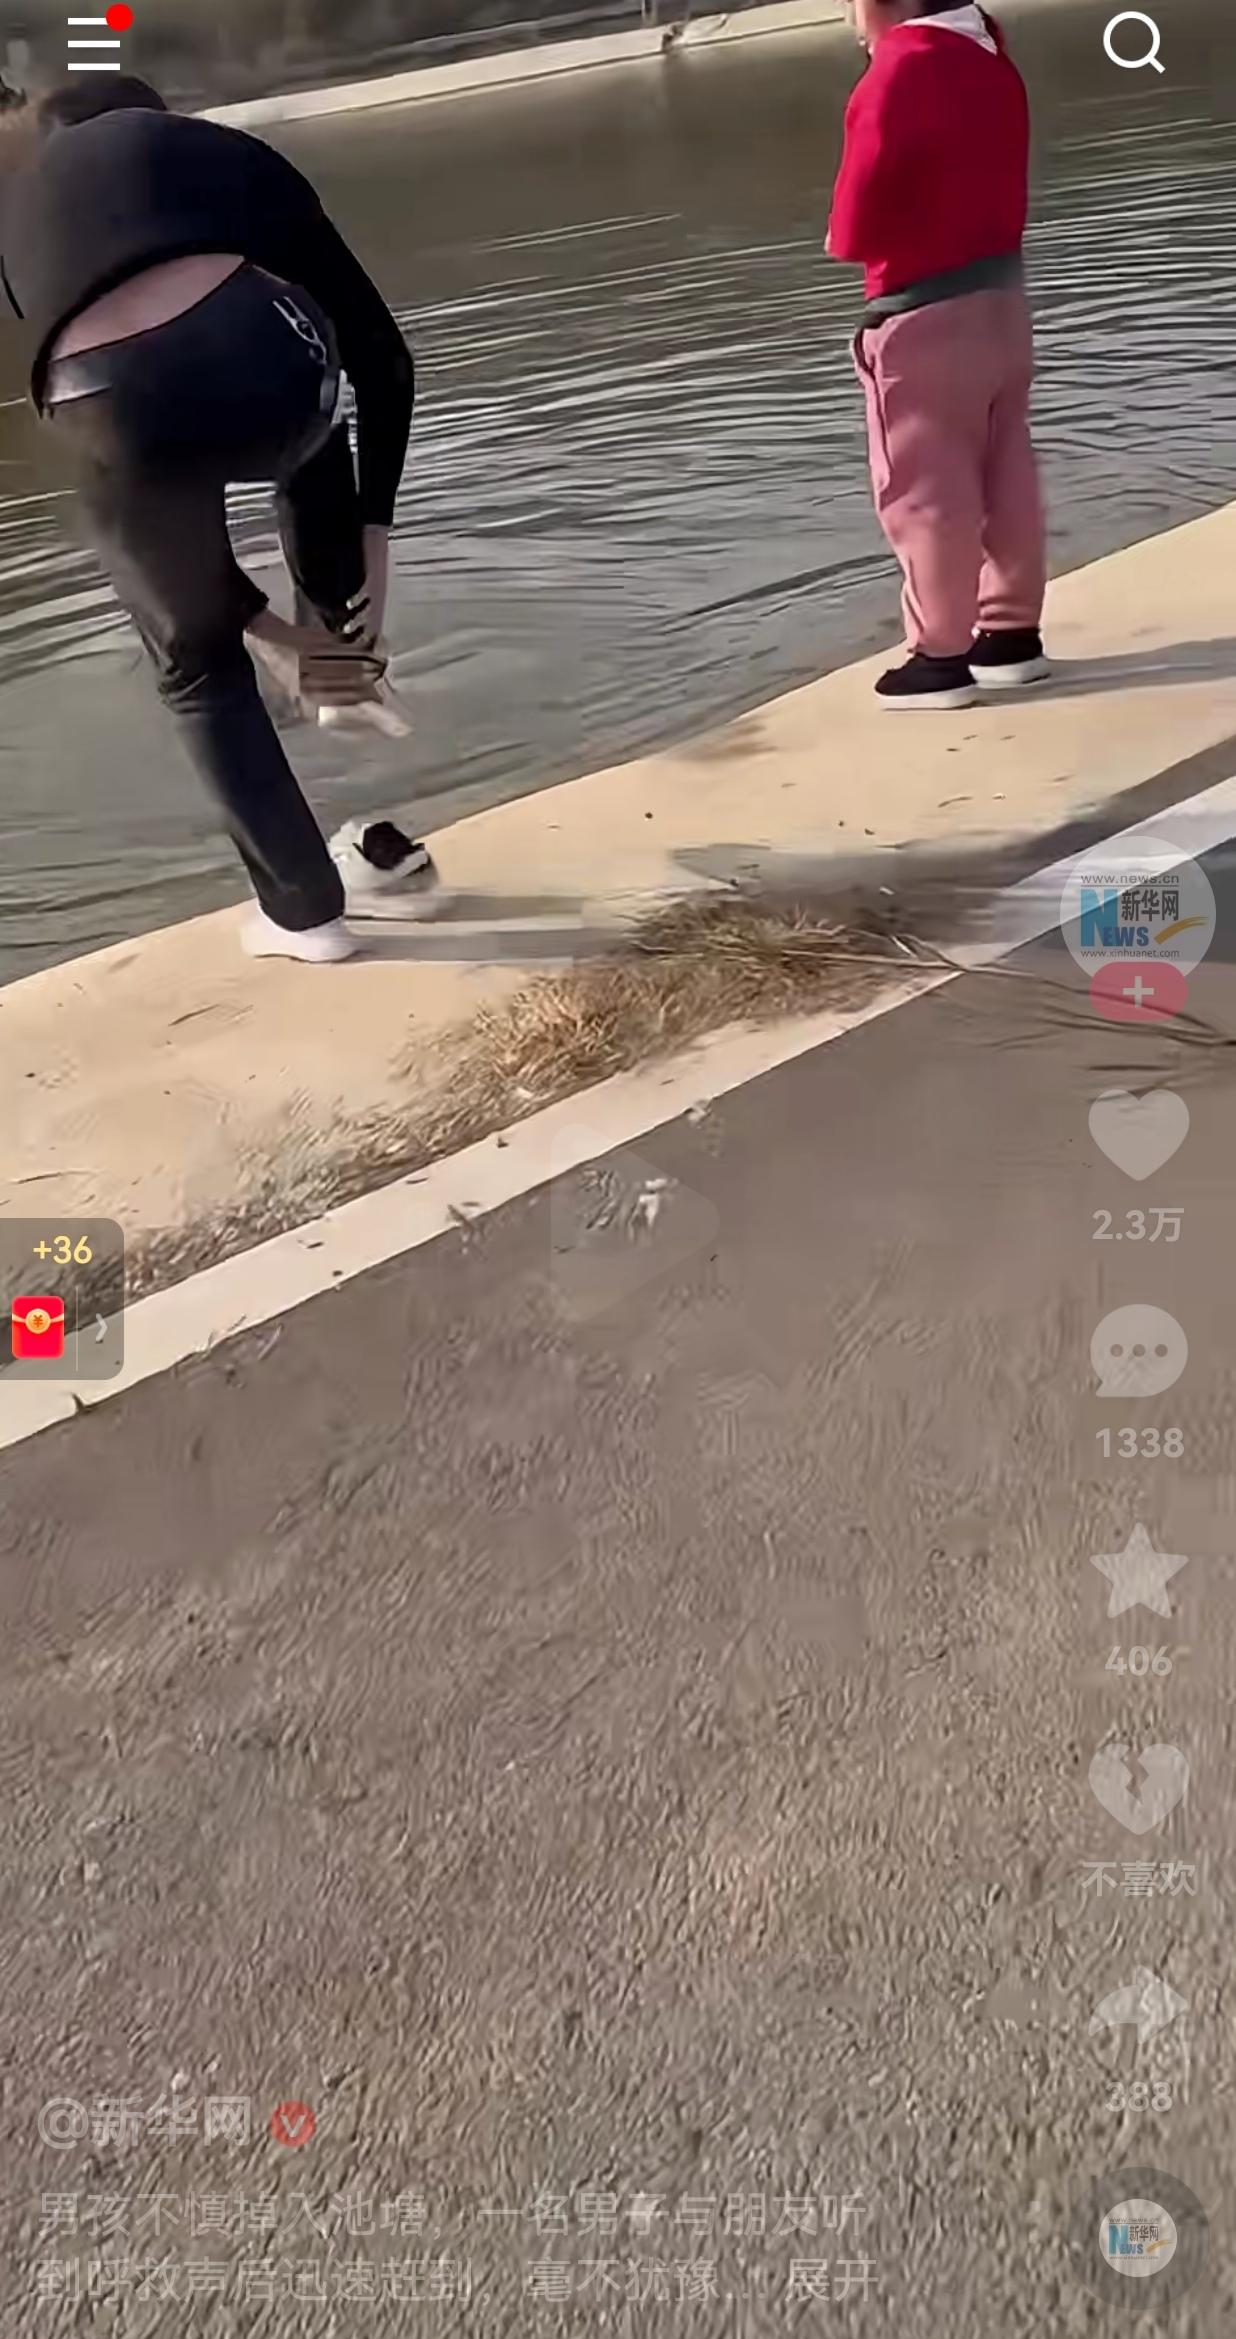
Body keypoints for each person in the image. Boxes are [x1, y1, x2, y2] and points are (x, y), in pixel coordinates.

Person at [0, 76, 435, 961]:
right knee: (310, 425)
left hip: (112, 400)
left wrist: (260, 630)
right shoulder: (222, 154)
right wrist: (372, 556)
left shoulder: (20, 215)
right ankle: (341, 648)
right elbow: (383, 361)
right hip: (271, 356)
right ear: (161, 119)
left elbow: (150, 525)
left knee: (193, 661)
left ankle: (306, 915)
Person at [826, 0, 1048, 710]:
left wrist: (839, 236)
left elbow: (854, 227)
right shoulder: (990, 54)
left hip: (923, 311)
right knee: (1007, 468)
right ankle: (1011, 635)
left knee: (926, 487)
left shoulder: (898, 68)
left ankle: (940, 657)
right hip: (1002, 300)